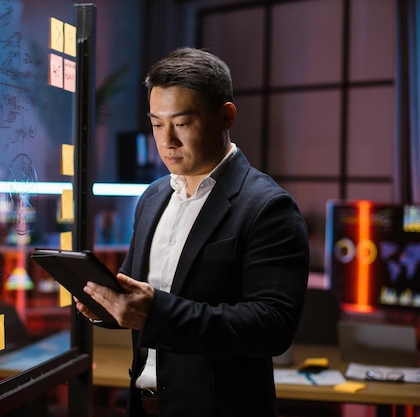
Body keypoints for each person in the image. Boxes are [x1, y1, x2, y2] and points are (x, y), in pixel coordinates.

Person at [76, 47, 309, 417]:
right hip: (145, 405)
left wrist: (155, 314)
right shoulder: (152, 197)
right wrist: (104, 304)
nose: (167, 140)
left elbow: (272, 327)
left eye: (182, 123)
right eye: (156, 123)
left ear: (225, 115)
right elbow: (137, 296)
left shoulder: (267, 207)